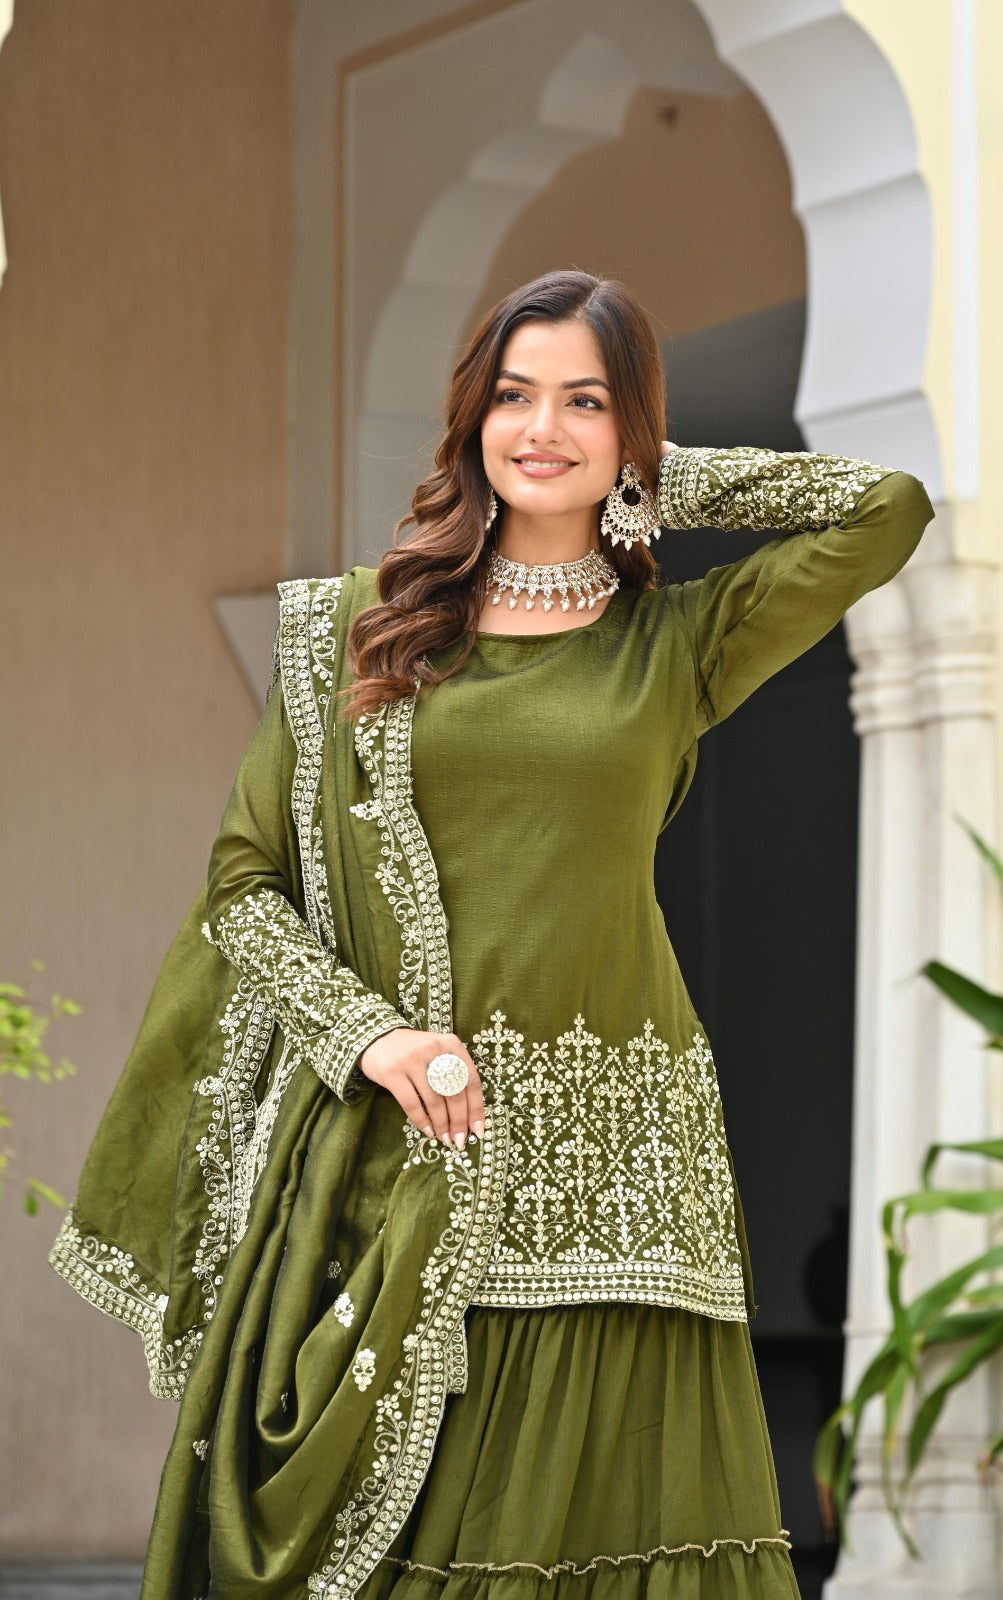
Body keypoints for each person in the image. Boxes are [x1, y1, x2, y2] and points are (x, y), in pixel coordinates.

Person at [50, 268, 934, 1600]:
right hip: (402, 1148)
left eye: (586, 401)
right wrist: (375, 1042)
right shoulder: (357, 633)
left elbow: (887, 507)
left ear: (629, 431)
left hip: (620, 1168)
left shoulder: (677, 642)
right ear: (469, 418)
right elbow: (246, 885)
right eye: (514, 396)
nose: (542, 428)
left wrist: (657, 478)